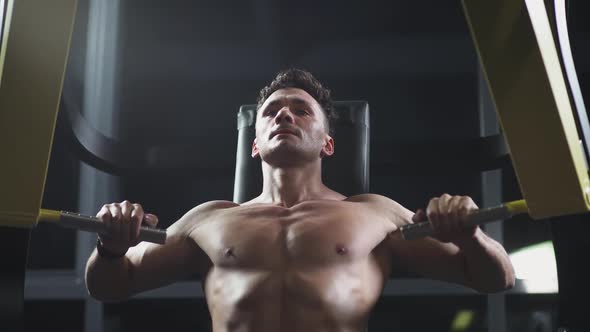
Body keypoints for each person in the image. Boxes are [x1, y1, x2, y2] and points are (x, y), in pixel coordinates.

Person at [85, 69, 515, 331]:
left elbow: (497, 278)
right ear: (254, 145)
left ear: (328, 144)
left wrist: (471, 235)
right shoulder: (208, 220)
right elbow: (111, 285)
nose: (284, 115)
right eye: (272, 112)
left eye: (301, 110)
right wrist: (110, 247)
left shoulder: (374, 213)